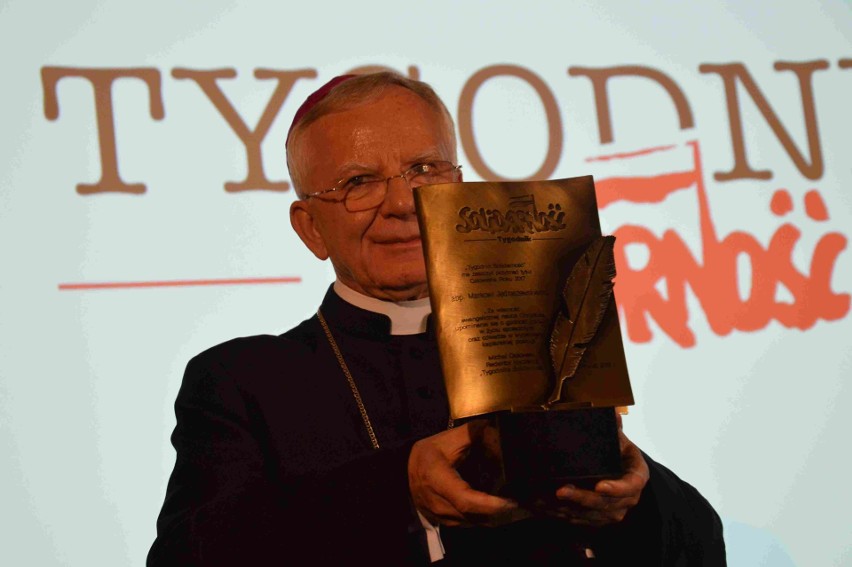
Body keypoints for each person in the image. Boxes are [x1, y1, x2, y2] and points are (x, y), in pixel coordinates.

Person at [148, 72, 725, 565]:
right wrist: (400, 490)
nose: (402, 203)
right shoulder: (241, 379)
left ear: (459, 190)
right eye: (358, 183)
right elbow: (188, 555)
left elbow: (704, 548)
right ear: (310, 228)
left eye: (424, 169)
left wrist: (632, 498)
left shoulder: (538, 342)